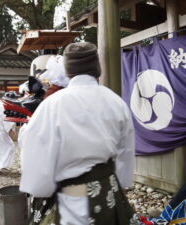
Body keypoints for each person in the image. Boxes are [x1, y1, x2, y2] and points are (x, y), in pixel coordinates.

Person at [19, 42, 135, 225]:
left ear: (68, 70)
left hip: (71, 196)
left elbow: (35, 159)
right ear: (97, 68)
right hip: (108, 192)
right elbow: (125, 154)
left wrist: (42, 187)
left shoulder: (52, 105)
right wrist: (120, 181)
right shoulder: (116, 102)